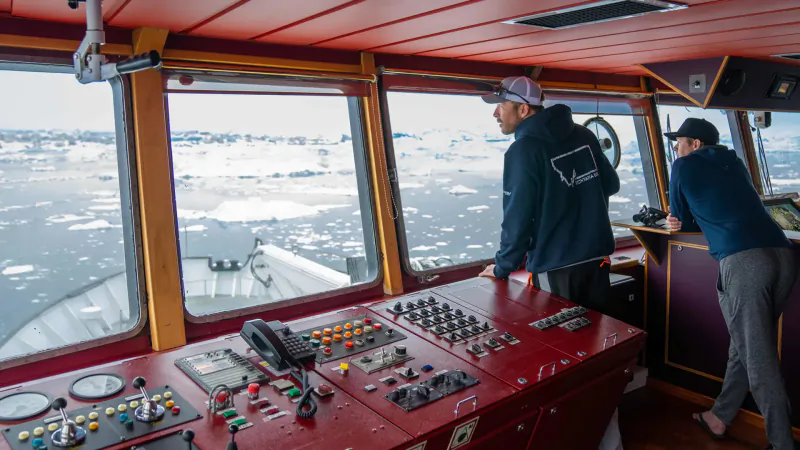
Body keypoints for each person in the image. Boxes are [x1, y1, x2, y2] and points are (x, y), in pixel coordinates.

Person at [476, 75, 622, 450]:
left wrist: (503, 267)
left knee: (563, 365)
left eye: (500, 105)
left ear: (522, 109)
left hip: (557, 268)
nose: (495, 113)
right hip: (597, 262)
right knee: (598, 356)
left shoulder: (523, 151)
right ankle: (610, 441)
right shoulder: (584, 136)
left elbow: (518, 218)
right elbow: (610, 184)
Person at [664, 118, 796, 450]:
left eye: (678, 142)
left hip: (744, 261)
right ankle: (719, 417)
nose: (675, 148)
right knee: (745, 343)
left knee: (758, 358)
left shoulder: (683, 165)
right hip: (782, 254)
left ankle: (782, 444)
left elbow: (684, 219)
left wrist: (674, 218)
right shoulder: (734, 161)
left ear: (694, 144)